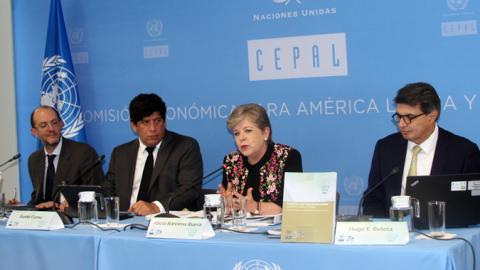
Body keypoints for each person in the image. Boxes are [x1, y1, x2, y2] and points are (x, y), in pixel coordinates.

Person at [363, 82, 480, 217]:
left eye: (409, 117)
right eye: (399, 116)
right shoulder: (385, 147)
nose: (401, 124)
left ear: (431, 116)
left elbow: (472, 205)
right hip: (394, 233)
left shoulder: (463, 151)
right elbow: (373, 199)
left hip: (443, 233)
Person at [104, 93, 203, 216]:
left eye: (157, 121)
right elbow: (107, 191)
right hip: (126, 224)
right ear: (134, 126)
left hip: (167, 222)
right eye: (146, 122)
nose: (153, 128)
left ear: (165, 121)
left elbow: (190, 188)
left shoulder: (185, 147)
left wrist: (156, 207)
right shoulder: (120, 154)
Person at [219, 103, 302, 215]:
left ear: (265, 133)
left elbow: (290, 206)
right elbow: (229, 205)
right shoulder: (231, 162)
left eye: (248, 130)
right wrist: (227, 206)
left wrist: (254, 207)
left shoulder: (287, 157)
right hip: (239, 230)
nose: (241, 138)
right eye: (236, 133)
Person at [28, 105, 104, 208]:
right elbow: (39, 198)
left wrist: (58, 205)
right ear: (34, 132)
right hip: (43, 221)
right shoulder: (34, 160)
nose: (51, 129)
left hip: (73, 221)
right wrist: (19, 207)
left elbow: (98, 195)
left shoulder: (83, 153)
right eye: (43, 125)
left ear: (61, 124)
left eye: (54, 123)